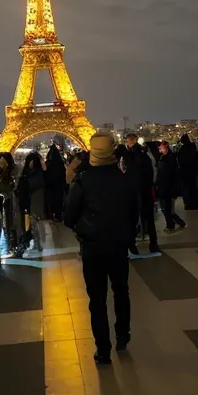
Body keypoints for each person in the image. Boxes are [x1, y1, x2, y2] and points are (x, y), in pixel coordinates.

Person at [64, 133, 131, 364]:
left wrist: (82, 228)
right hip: (118, 244)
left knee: (97, 299)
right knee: (121, 291)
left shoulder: (82, 180)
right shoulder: (124, 179)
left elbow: (68, 215)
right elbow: (135, 211)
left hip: (92, 246)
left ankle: (103, 349)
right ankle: (123, 335)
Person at [116, 132, 160, 257]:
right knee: (149, 219)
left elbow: (125, 171)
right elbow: (151, 171)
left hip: (133, 191)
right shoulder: (144, 153)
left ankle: (132, 245)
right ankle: (153, 243)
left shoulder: (129, 155)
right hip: (145, 190)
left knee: (131, 219)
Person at [15, 152, 46, 255]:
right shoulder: (39, 173)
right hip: (32, 202)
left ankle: (34, 243)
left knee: (32, 224)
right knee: (32, 224)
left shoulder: (27, 175)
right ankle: (35, 243)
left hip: (32, 203)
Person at [156, 141, 186, 231]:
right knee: (166, 208)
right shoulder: (163, 157)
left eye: (161, 147)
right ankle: (177, 223)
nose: (160, 149)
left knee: (167, 208)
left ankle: (171, 225)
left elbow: (172, 174)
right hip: (164, 186)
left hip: (168, 187)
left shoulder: (169, 158)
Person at [0, 152, 19, 251]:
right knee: (8, 222)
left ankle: (11, 243)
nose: (2, 165)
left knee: (10, 222)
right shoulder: (13, 172)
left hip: (8, 201)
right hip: (4, 201)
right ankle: (11, 244)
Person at [45, 143, 66, 221]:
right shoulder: (61, 165)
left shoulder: (48, 164)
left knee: (51, 204)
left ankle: (52, 218)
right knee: (58, 204)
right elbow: (64, 177)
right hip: (59, 188)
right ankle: (58, 217)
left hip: (50, 188)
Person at [177, 134, 198, 210]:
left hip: (185, 172)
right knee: (192, 188)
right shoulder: (192, 148)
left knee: (186, 189)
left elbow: (180, 160)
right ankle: (194, 203)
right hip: (192, 172)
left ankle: (188, 204)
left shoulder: (182, 149)